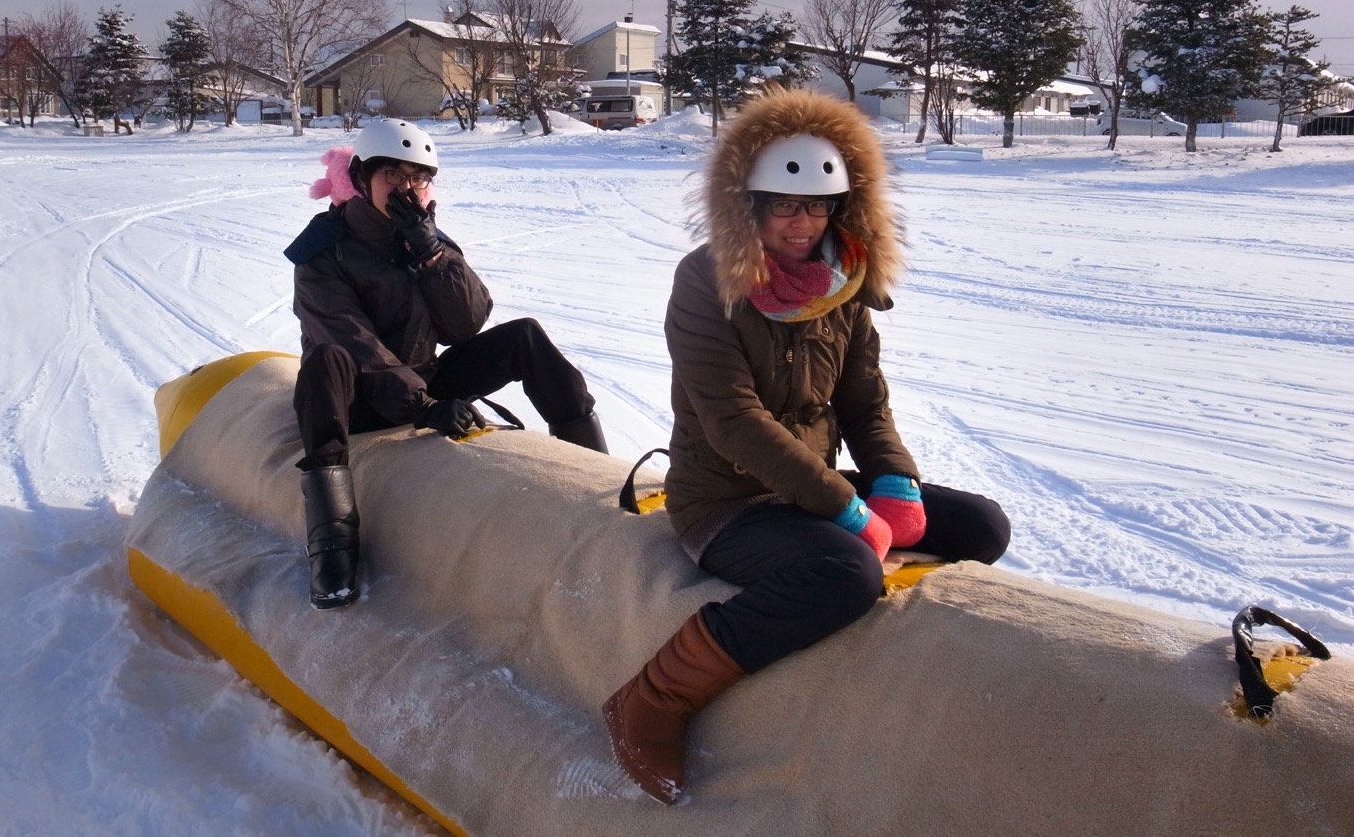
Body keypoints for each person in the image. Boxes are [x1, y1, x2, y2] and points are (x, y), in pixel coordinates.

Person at [603, 89, 1011, 804]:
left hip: (807, 487)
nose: (802, 223)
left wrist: (893, 480)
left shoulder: (841, 283)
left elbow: (864, 403)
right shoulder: (705, 281)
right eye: (784, 206)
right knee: (846, 573)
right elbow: (732, 420)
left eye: (818, 206)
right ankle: (653, 699)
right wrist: (844, 508)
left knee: (981, 525)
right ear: (748, 206)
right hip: (727, 500)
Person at [285, 118, 607, 610]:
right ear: (361, 176)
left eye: (418, 178)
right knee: (327, 360)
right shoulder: (323, 251)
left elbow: (466, 325)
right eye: (393, 175)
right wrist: (423, 405)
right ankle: (332, 544)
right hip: (353, 399)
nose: (407, 189)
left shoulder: (423, 239)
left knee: (525, 336)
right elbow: (352, 339)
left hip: (423, 382)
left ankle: (597, 473)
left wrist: (433, 256)